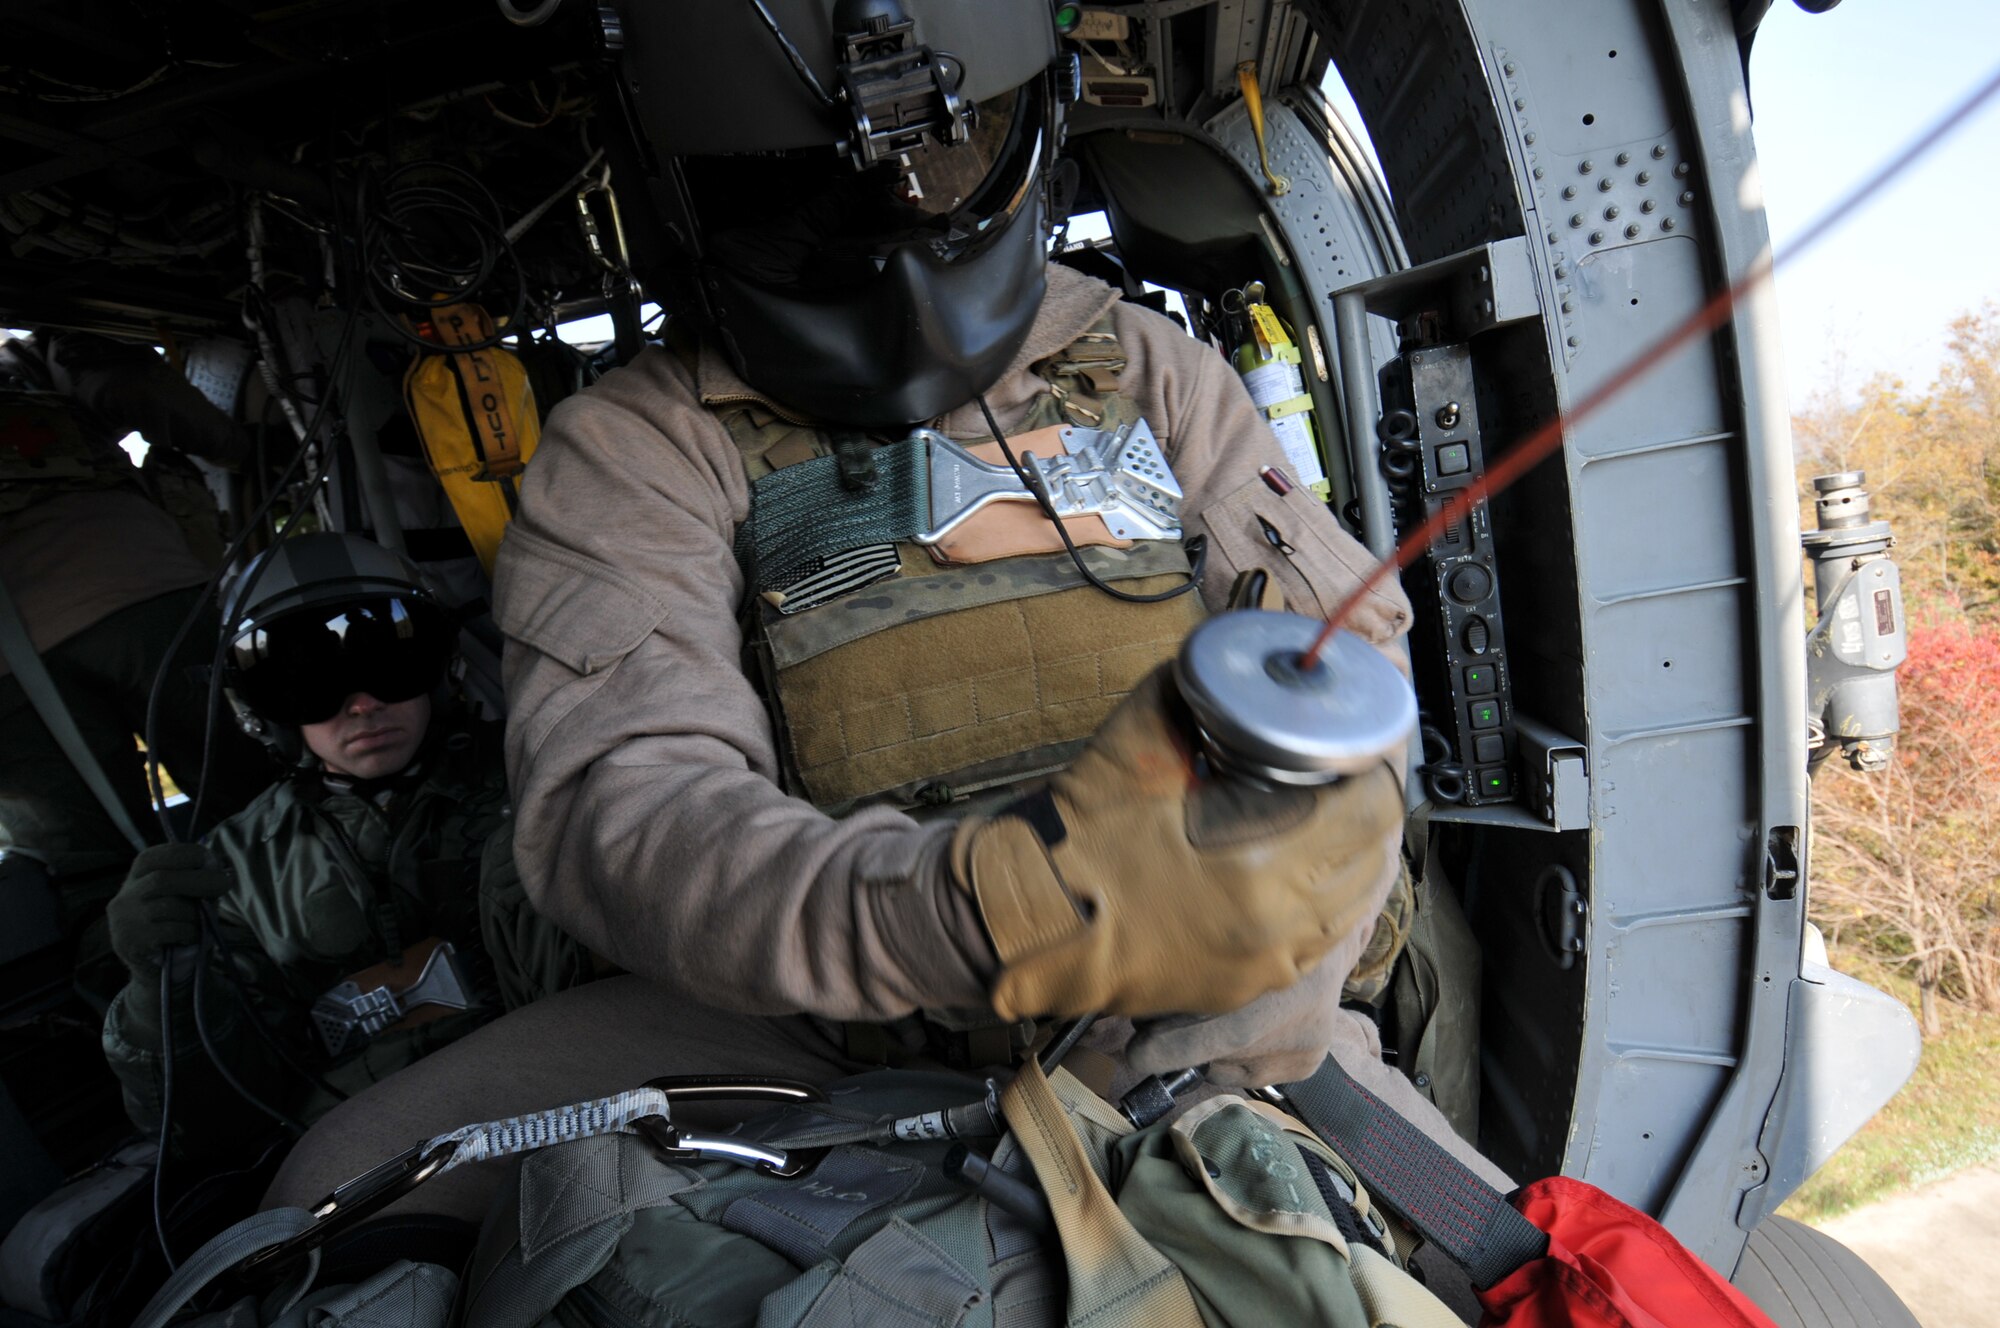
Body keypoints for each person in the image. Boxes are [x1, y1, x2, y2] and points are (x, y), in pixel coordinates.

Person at [263, 0, 1506, 1219]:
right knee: (335, 1191)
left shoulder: (1141, 367)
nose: (901, 214)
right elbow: (627, 808)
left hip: (1201, 1002)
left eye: (951, 155)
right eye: (793, 191)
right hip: (815, 1032)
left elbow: (1352, 667)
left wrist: (1264, 933)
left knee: (1515, 1269)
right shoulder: (639, 447)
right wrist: (980, 906)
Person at [99, 533, 587, 1159]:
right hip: (364, 1160)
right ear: (263, 710)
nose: (362, 704)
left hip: (566, 1103)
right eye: (309, 682)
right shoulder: (232, 873)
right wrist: (159, 990)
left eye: (390, 664)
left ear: (439, 669)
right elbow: (199, 1123)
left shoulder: (542, 778)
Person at [0, 330, 271, 909]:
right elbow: (134, 383)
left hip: (13, 678)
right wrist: (240, 449)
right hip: (136, 589)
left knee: (88, 870)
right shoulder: (26, 362)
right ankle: (319, 943)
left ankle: (154, 989)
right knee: (253, 796)